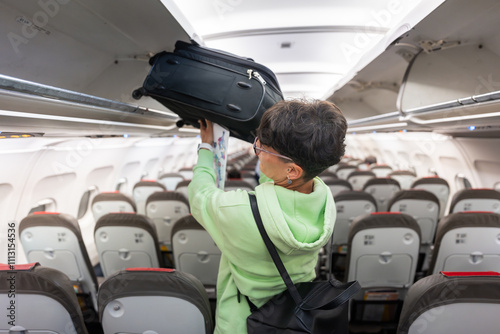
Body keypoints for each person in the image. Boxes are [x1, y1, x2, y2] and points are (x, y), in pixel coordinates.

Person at [188, 99, 347, 333]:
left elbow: (199, 195)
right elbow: (276, 185)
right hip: (296, 318)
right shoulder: (324, 200)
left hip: (244, 322)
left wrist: (206, 148)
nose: (257, 147)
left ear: (292, 170)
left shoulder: (239, 210)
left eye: (261, 149)